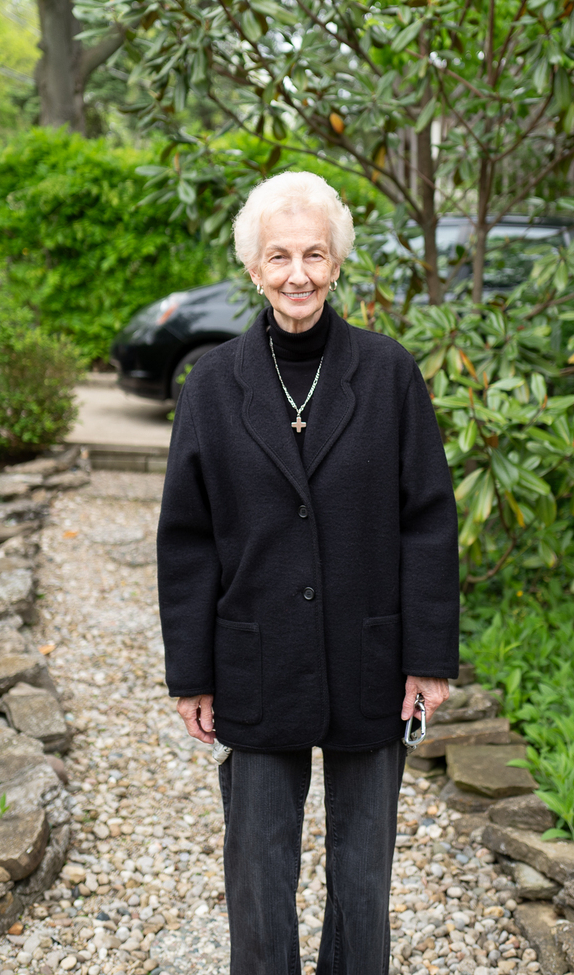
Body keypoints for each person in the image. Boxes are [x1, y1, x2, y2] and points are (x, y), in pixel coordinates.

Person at [156, 170, 460, 975]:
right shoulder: (212, 385)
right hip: (254, 657)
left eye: (315, 254)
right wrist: (191, 674)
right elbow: (186, 539)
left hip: (370, 654)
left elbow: (428, 520)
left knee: (363, 877)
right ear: (254, 269)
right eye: (280, 256)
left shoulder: (389, 375)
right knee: (258, 876)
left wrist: (429, 659)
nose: (299, 274)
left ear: (337, 263)